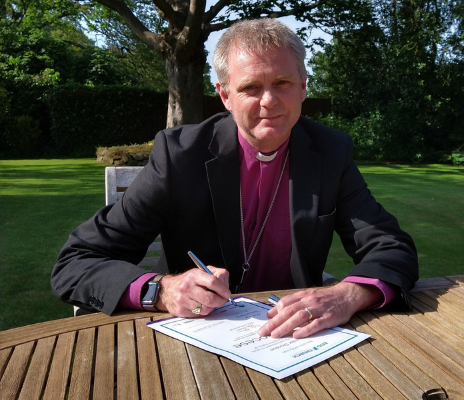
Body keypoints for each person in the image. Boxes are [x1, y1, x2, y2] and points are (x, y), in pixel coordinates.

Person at [51, 19, 418, 339]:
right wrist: (160, 291)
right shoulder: (179, 156)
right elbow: (76, 262)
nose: (269, 100)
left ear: (304, 86)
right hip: (194, 336)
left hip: (294, 336)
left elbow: (390, 246)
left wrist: (347, 294)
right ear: (225, 95)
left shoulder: (331, 152)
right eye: (250, 88)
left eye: (283, 82)